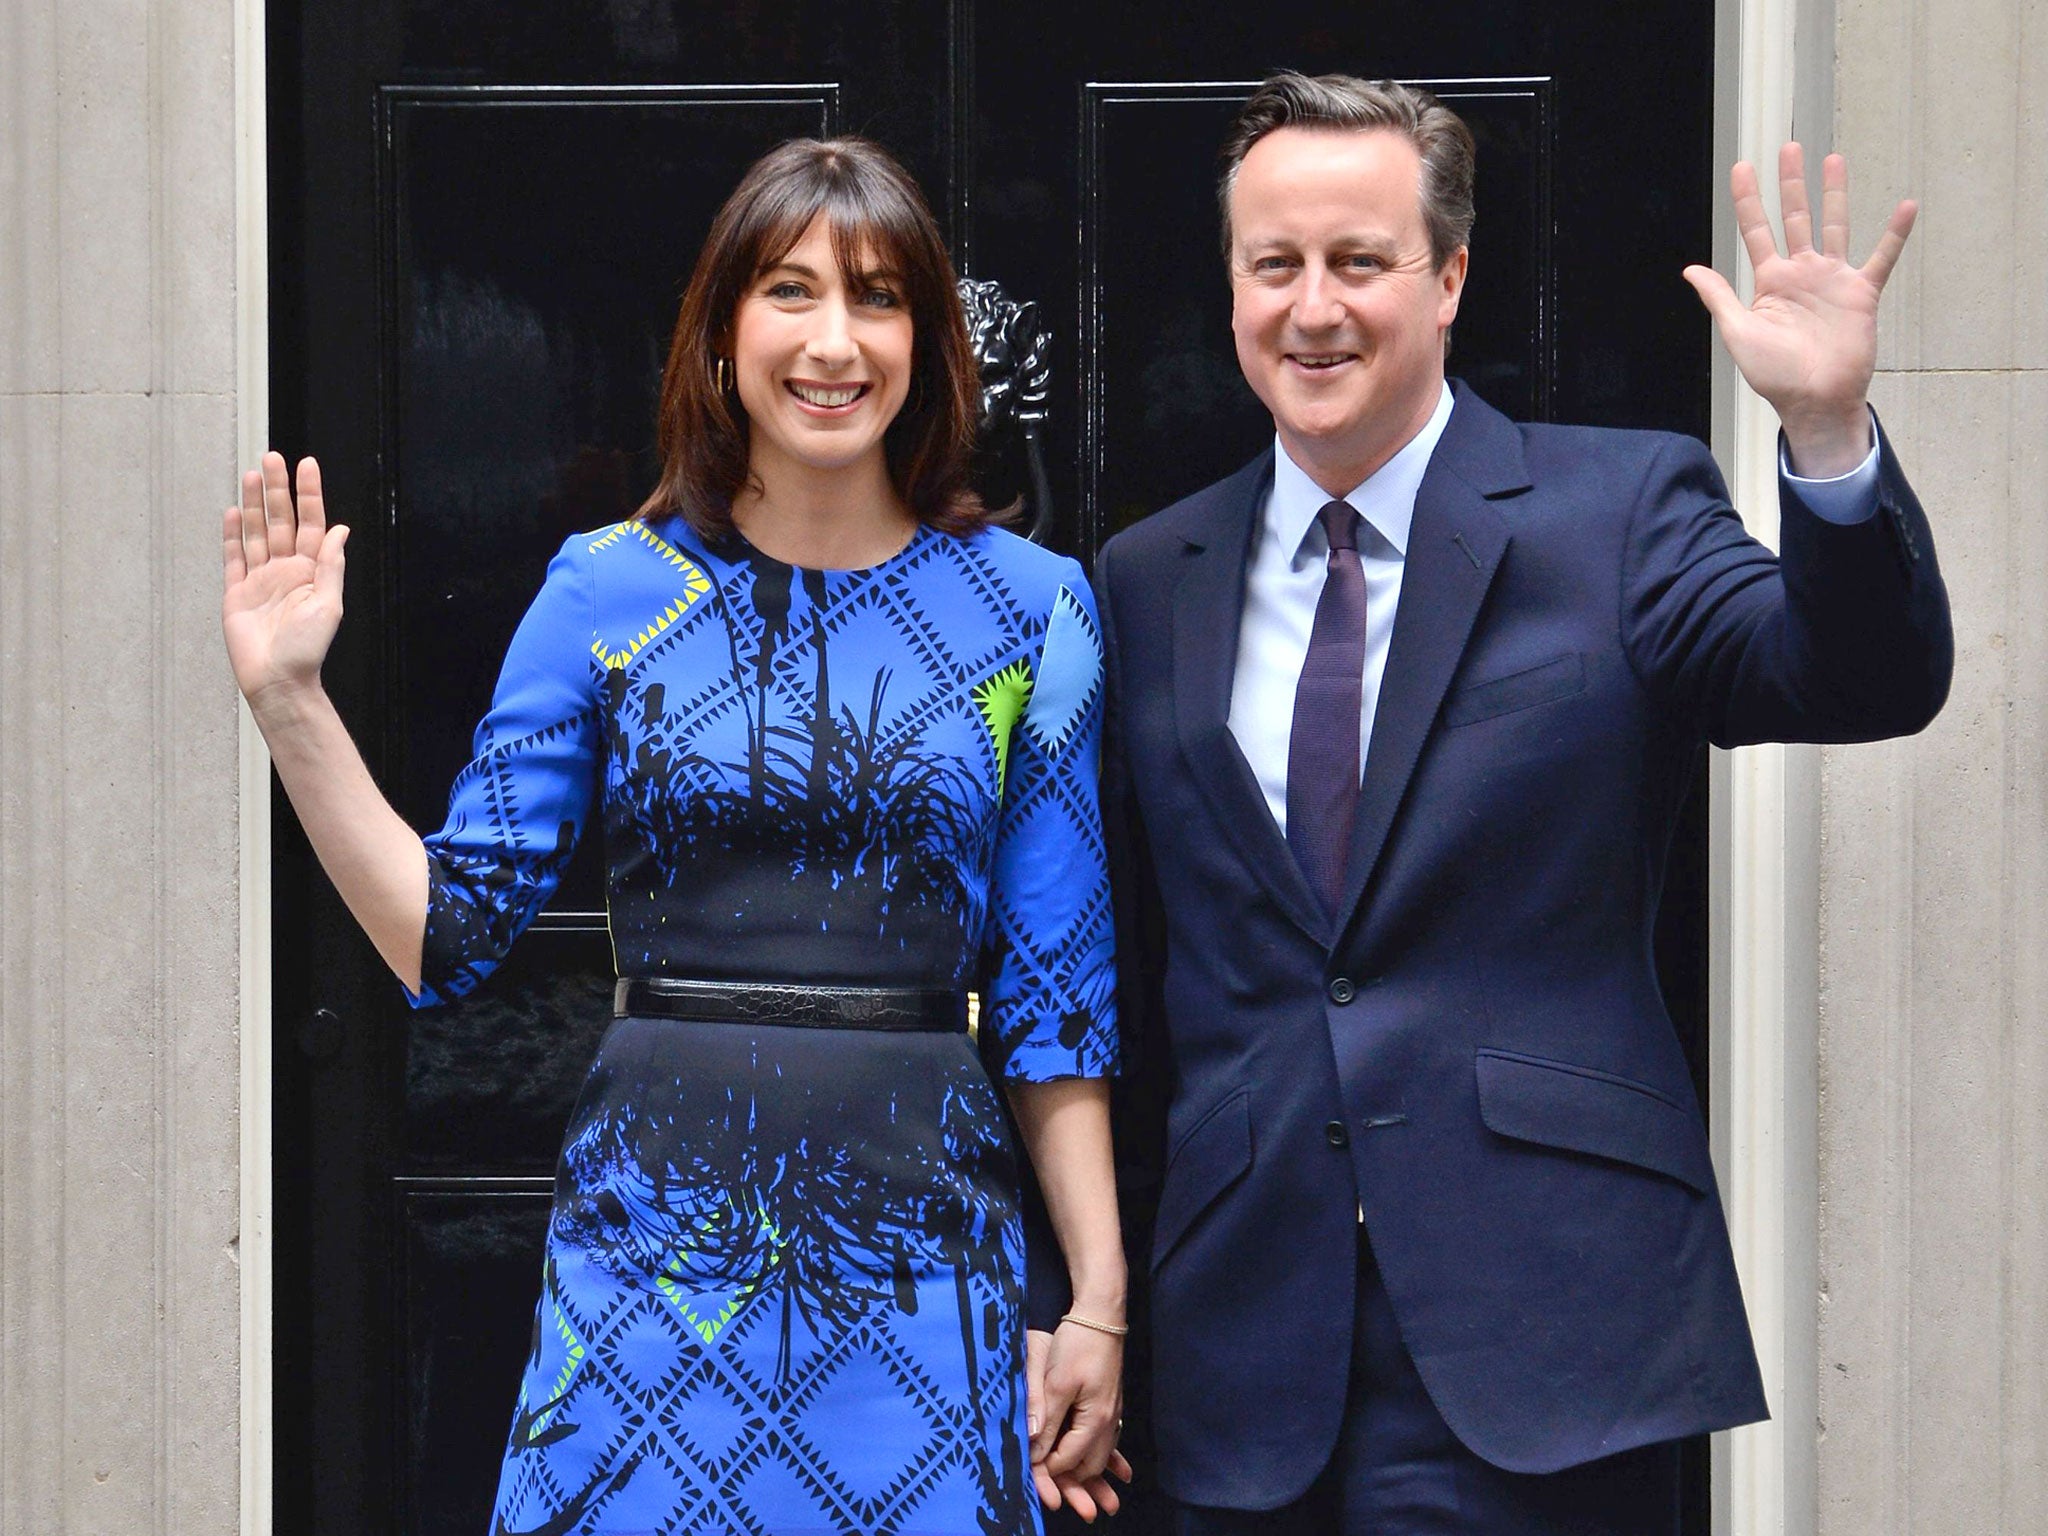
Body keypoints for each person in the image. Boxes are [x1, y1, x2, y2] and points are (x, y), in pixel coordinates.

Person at [222, 135, 1129, 1535]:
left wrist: (1100, 1304)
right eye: (790, 291)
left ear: (926, 342)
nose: (835, 340)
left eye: (879, 298)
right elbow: (447, 942)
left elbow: (1057, 994)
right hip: (654, 1243)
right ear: (720, 336)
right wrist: (289, 703)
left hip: (921, 1249)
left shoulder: (1033, 608)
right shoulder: (607, 586)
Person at [1094, 73, 1951, 1534]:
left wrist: (1826, 437)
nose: (1313, 309)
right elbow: (1119, 963)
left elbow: (1849, 678)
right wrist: (1088, 1308)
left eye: (1359, 262)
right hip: (1241, 1356)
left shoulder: (1617, 513)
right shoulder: (1143, 576)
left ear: (1451, 276)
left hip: (1546, 1342)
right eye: (1274, 265)